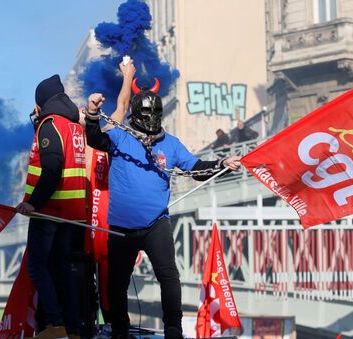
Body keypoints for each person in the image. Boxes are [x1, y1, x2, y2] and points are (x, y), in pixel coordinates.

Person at [84, 80, 242, 339]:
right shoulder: (119, 135)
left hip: (156, 223)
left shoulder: (171, 143)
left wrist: (222, 162)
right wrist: (92, 114)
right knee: (117, 283)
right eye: (146, 116)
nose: (150, 121)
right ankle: (120, 330)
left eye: (155, 116)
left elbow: (196, 167)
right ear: (135, 115)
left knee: (169, 276)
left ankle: (173, 329)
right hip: (122, 226)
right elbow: (94, 139)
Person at [16, 74, 86, 339]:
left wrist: (33, 203)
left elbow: (53, 168)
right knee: (62, 269)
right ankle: (73, 328)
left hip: (50, 210)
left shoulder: (50, 124)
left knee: (37, 265)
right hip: (70, 212)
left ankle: (55, 324)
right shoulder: (74, 127)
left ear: (40, 104)